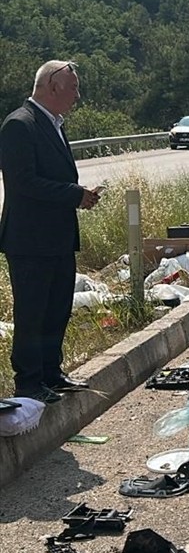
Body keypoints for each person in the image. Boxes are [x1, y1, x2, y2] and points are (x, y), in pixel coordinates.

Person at [0, 61, 102, 403]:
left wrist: (79, 195)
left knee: (57, 307)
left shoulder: (53, 124)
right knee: (32, 311)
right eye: (73, 88)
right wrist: (76, 195)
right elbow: (23, 182)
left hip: (56, 236)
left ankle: (51, 373)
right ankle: (29, 382)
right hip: (30, 240)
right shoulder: (20, 124)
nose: (77, 95)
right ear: (52, 86)